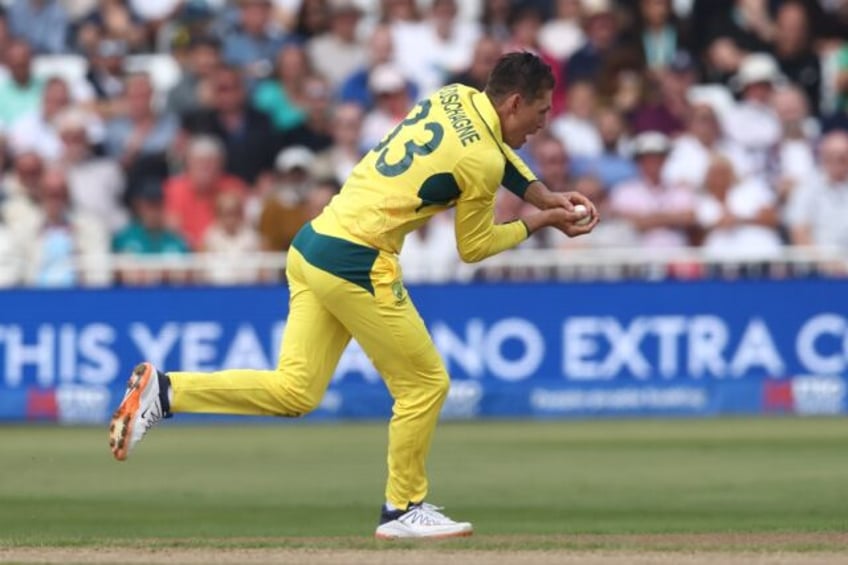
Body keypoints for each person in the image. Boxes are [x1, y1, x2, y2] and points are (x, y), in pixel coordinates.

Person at [107, 52, 598, 539]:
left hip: (314, 243)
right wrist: (542, 220)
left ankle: (167, 392)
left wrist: (542, 193)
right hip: (357, 260)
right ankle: (403, 507)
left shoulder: (456, 97)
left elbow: (495, 152)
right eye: (542, 111)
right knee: (425, 384)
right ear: (514, 103)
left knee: (294, 391)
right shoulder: (483, 160)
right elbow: (474, 247)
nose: (544, 122)